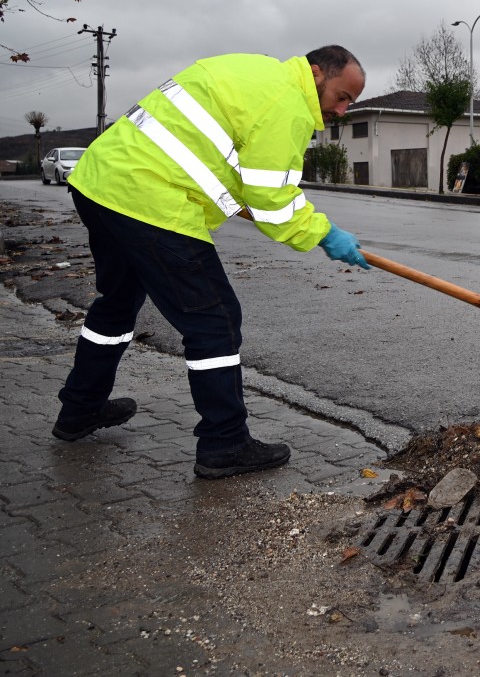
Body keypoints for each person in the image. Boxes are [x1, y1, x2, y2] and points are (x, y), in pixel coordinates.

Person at [51, 46, 373, 478]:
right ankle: (224, 443)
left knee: (116, 304)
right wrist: (325, 234)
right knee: (214, 321)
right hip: (151, 201)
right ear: (316, 73)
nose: (342, 108)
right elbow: (272, 201)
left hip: (101, 182)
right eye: (342, 95)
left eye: (350, 101)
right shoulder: (289, 106)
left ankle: (79, 408)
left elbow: (228, 161)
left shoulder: (252, 71)